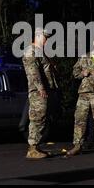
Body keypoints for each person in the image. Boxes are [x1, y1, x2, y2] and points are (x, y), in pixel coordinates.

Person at [22, 27, 58, 159]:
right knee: (38, 118)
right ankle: (32, 149)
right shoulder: (31, 51)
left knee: (41, 118)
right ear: (37, 36)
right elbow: (33, 72)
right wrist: (40, 88)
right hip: (38, 91)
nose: (47, 40)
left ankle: (35, 147)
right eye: (45, 37)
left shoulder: (40, 52)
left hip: (43, 90)